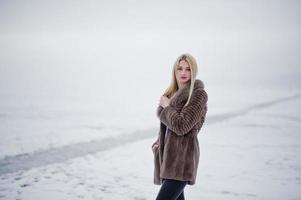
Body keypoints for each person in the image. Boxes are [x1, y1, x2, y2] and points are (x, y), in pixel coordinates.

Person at [151, 53, 208, 200]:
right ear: (174, 72)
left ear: (193, 72)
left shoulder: (198, 95)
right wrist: (158, 145)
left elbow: (182, 126)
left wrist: (167, 107)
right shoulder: (171, 94)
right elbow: (168, 129)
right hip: (167, 161)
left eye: (188, 69)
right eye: (180, 68)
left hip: (182, 162)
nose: (183, 73)